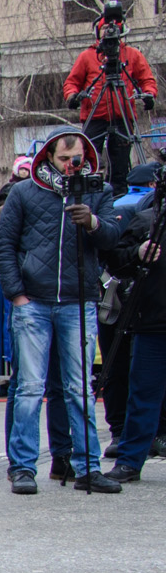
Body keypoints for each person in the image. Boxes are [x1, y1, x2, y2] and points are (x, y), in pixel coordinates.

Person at [0, 127, 125, 494]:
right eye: (64, 159)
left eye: (76, 159)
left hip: (76, 300)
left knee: (79, 388)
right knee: (30, 388)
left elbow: (113, 238)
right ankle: (22, 467)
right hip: (34, 301)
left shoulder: (98, 191)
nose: (70, 166)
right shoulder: (23, 192)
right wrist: (17, 294)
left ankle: (88, 467)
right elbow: (3, 245)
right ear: (50, 155)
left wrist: (93, 223)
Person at [104, 180, 166, 481]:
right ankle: (130, 460)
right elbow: (117, 262)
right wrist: (138, 253)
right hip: (153, 323)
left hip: (152, 321)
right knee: (142, 395)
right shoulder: (147, 221)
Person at [63, 0, 157, 187]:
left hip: (123, 115)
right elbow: (71, 82)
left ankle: (119, 194)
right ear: (98, 31)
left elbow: (147, 79)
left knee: (121, 164)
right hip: (95, 115)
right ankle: (87, 192)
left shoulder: (132, 55)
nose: (108, 31)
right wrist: (72, 96)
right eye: (104, 27)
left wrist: (149, 94)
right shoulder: (87, 56)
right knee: (87, 159)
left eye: (112, 27)